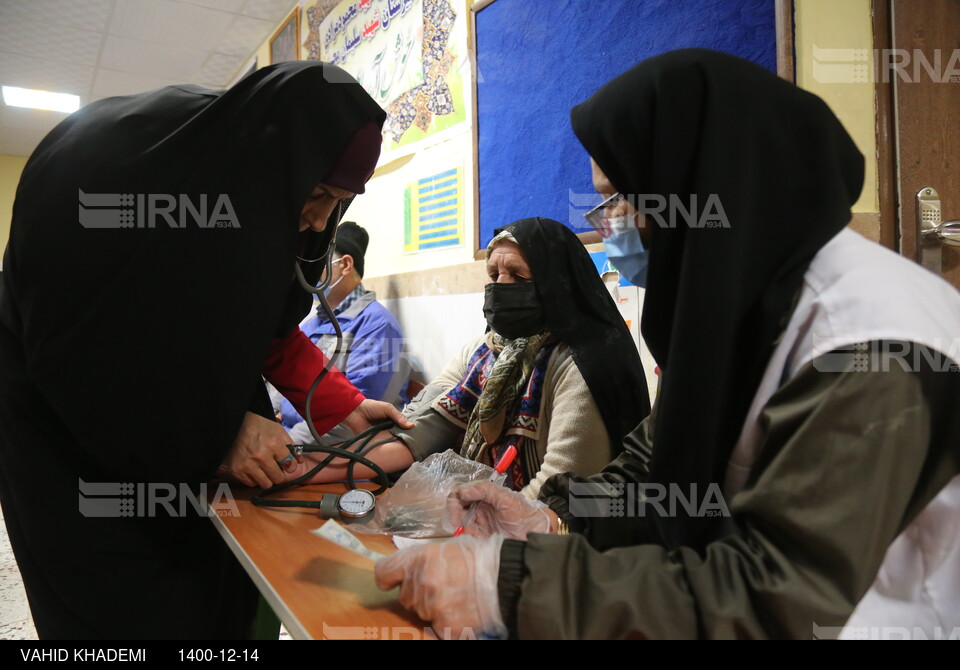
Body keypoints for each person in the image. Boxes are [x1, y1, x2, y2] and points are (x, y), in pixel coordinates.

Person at [374, 49, 960, 639]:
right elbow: (650, 473)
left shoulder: (872, 343)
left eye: (618, 202)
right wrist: (551, 517)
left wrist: (507, 582)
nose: (610, 226)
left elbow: (776, 597)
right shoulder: (751, 304)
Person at [0, 61, 410, 639]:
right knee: (126, 607)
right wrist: (217, 433)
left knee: (218, 582)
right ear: (277, 159)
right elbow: (83, 358)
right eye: (316, 192)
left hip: (180, 426)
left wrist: (340, 405)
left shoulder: (265, 203)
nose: (318, 218)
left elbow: (261, 327)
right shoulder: (107, 172)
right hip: (75, 437)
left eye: (338, 202)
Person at [287, 217, 651, 499]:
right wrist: (302, 466)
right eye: (493, 274)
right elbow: (424, 426)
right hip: (488, 518)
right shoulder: (484, 351)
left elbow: (560, 491)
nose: (500, 286)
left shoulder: (580, 364)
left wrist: (480, 535)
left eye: (517, 275)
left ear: (556, 283)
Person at [272, 220, 408, 446]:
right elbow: (280, 383)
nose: (307, 273)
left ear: (345, 265)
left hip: (340, 453)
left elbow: (353, 420)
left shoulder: (378, 327)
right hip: (291, 441)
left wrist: (284, 443)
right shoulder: (310, 325)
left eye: (317, 264)